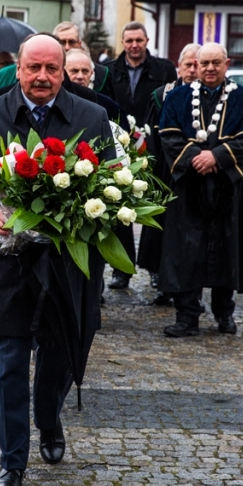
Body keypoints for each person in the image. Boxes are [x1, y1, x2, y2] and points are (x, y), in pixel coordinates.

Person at [0, 33, 114, 486]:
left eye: (52, 69)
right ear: (17, 69)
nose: (42, 77)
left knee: (60, 358)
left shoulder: (92, 117)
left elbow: (114, 186)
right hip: (9, 263)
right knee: (9, 364)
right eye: (33, 68)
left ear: (63, 71)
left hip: (67, 263)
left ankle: (49, 418)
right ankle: (12, 461)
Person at [156, 43, 243, 336]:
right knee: (185, 252)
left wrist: (216, 157)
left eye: (215, 62)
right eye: (203, 63)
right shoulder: (178, 97)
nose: (208, 68)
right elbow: (168, 138)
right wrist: (196, 158)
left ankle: (224, 314)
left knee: (225, 251)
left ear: (227, 63)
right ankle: (187, 317)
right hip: (189, 187)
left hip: (227, 189)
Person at [102, 21, 178, 289]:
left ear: (146, 41)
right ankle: (121, 269)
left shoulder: (164, 69)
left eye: (139, 40)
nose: (134, 45)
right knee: (119, 206)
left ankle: (155, 267)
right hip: (118, 143)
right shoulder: (110, 70)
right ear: (123, 42)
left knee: (154, 207)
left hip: (154, 145)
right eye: (129, 40)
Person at [139, 42, 200, 303]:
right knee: (163, 229)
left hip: (198, 171)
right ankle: (161, 279)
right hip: (165, 170)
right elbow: (151, 134)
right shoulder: (162, 94)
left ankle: (189, 287)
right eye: (189, 64)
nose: (193, 69)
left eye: (198, 64)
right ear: (179, 66)